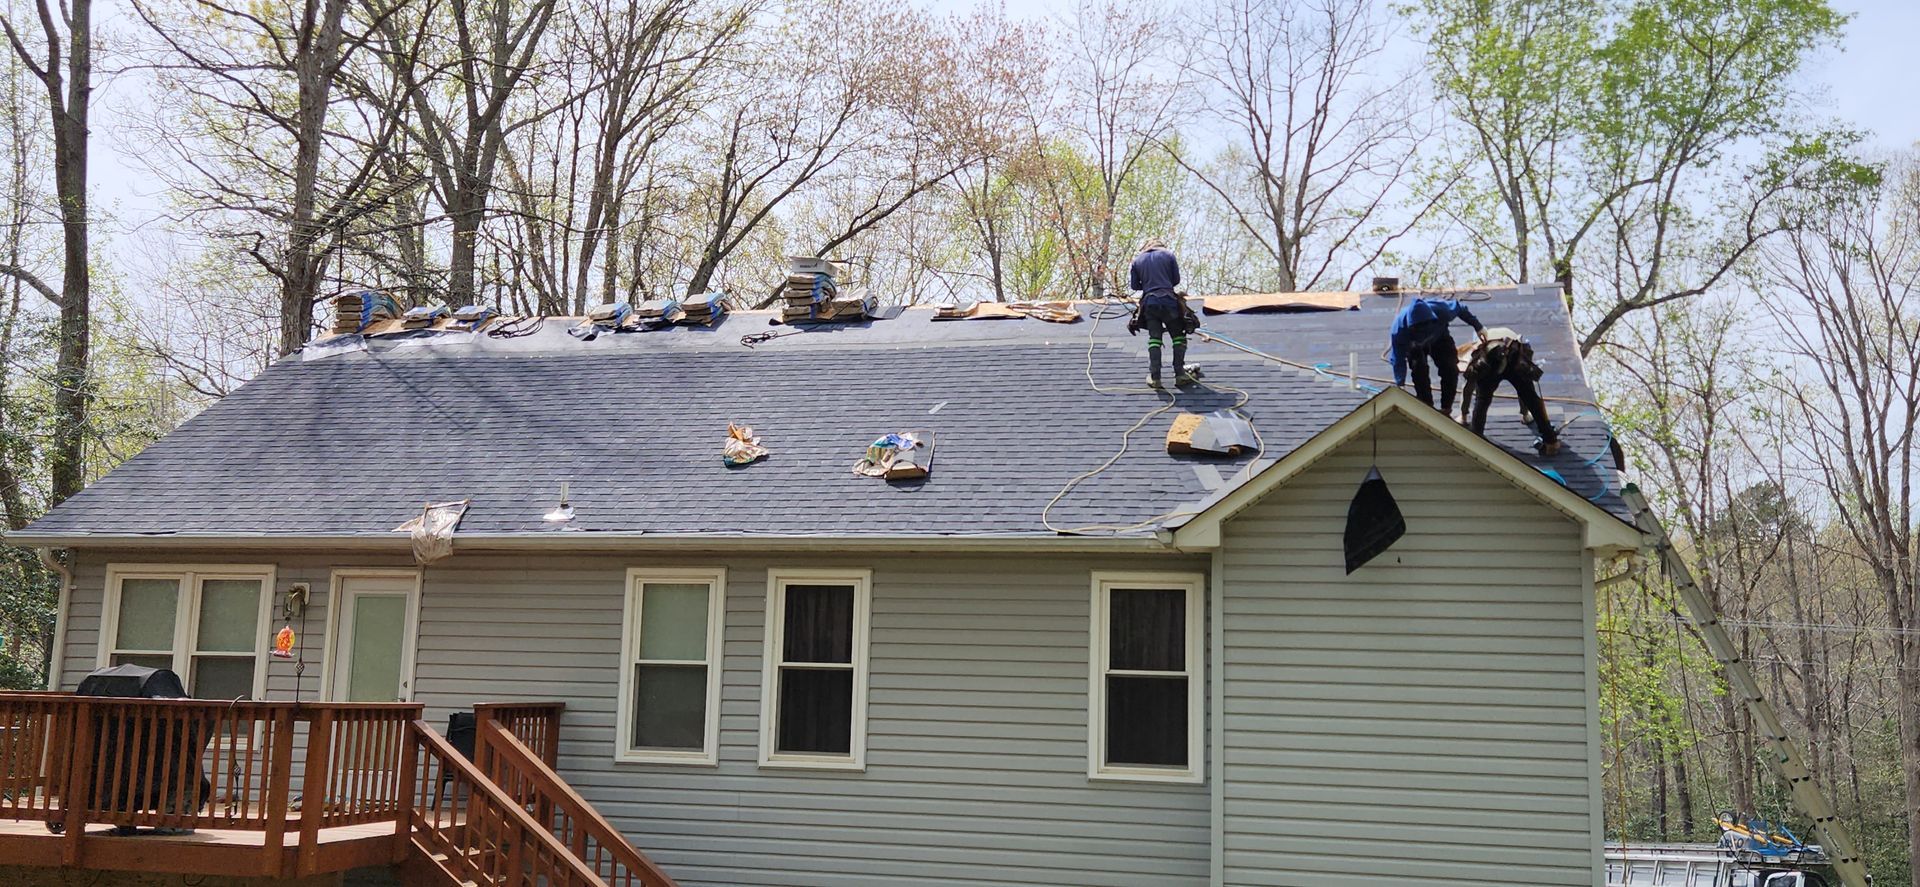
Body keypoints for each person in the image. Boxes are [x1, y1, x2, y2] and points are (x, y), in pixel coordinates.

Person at [1460, 332, 1561, 456]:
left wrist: (1464, 415)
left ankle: (1476, 441)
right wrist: (1525, 414)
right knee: (1529, 396)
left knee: (1482, 399)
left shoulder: (1476, 354)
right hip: (1510, 358)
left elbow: (1468, 389)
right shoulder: (1488, 348)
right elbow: (1526, 393)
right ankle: (1551, 442)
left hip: (1504, 359)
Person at [1387, 295, 1485, 413]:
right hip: (1415, 346)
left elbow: (1461, 308)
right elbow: (1397, 359)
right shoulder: (1399, 330)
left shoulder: (1442, 310)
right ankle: (1427, 408)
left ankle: (1446, 408)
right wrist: (1400, 384)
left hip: (1439, 337)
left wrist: (1478, 327)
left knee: (1450, 369)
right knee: (1419, 371)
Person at [1127, 238, 1194, 387]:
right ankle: (1180, 375)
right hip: (1168, 301)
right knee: (1178, 336)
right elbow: (1175, 280)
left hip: (1150, 303)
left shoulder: (1137, 260)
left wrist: (1148, 283)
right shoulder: (1168, 255)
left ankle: (1155, 377)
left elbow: (1134, 286)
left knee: (1155, 338)